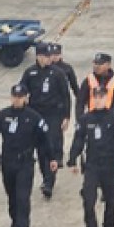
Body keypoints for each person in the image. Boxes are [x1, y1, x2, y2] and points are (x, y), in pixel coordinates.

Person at [0, 84, 55, 227]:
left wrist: (52, 158)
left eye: (20, 97)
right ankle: (15, 221)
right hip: (7, 161)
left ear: (26, 98)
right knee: (12, 194)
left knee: (23, 195)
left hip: (25, 162)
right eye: (15, 96)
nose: (17, 99)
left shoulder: (34, 117)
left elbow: (45, 140)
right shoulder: (3, 115)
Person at [67, 87, 114, 227]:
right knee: (88, 200)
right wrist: (72, 159)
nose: (98, 100)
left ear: (106, 98)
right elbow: (78, 139)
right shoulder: (85, 119)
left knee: (111, 201)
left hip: (110, 165)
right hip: (92, 165)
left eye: (101, 97)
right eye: (95, 97)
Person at [20, 43, 70, 199]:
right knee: (40, 150)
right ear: (39, 57)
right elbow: (22, 91)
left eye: (50, 56)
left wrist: (66, 116)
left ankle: (49, 182)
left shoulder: (58, 73)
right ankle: (45, 176)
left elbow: (66, 95)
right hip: (36, 114)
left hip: (53, 114)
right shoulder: (30, 72)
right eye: (46, 56)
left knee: (51, 147)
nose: (49, 59)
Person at [76, 52, 114, 124]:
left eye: (100, 64)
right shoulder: (88, 80)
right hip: (93, 120)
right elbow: (80, 103)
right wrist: (79, 120)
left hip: (113, 121)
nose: (97, 66)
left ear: (108, 65)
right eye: (95, 63)